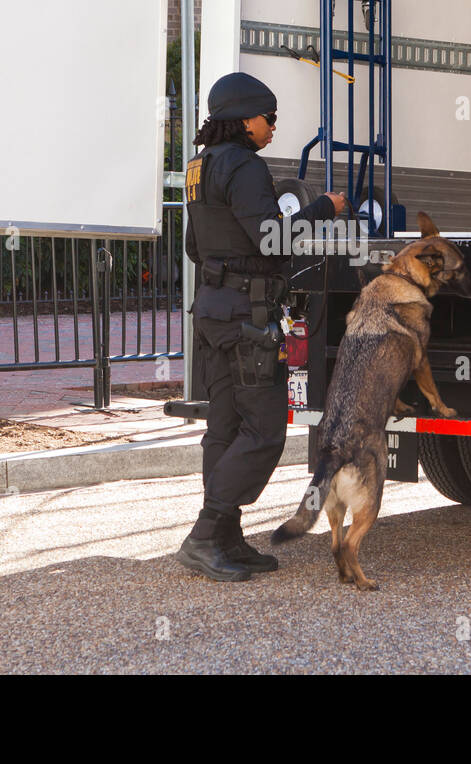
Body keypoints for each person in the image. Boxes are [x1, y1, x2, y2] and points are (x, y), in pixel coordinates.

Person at [176, 71, 348, 581]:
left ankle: (226, 537)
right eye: (269, 118)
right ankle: (206, 534)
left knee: (224, 429)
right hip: (246, 319)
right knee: (266, 430)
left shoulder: (197, 166)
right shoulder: (245, 167)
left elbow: (192, 246)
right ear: (245, 119)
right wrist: (323, 207)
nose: (273, 126)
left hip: (211, 312)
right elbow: (272, 238)